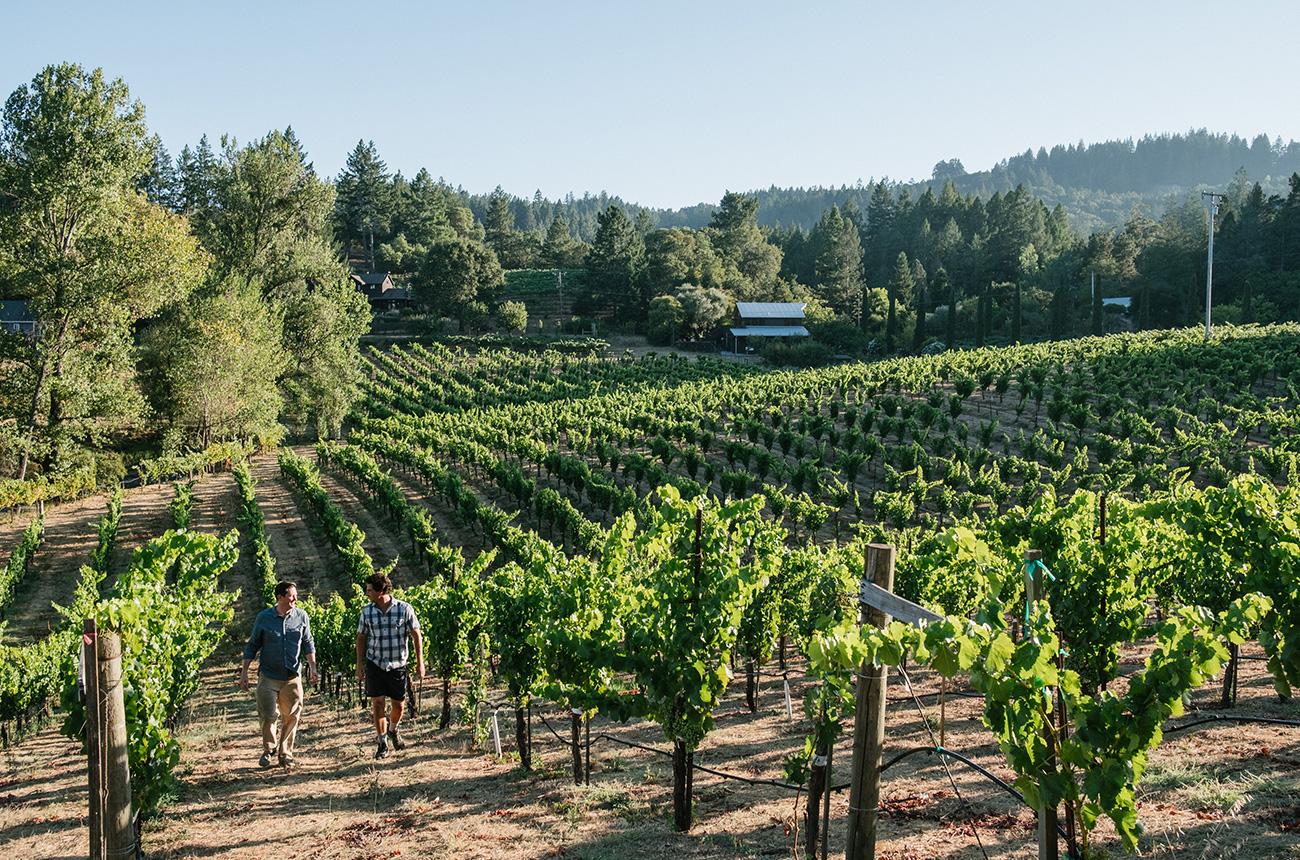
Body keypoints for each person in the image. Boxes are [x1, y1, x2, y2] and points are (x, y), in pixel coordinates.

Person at [240, 581, 318, 768]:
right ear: (280, 597)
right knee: (268, 715)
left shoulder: (301, 616)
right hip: (268, 675)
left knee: (291, 716)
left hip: (292, 676)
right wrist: (244, 672)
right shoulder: (264, 618)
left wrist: (313, 667)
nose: (295, 599)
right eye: (292, 595)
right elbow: (253, 645)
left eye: (295, 595)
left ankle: (286, 754)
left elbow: (308, 642)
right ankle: (269, 749)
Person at [356, 572, 425, 759]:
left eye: (370, 590)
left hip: (397, 664)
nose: (367, 593)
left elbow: (416, 635)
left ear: (381, 591)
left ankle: (393, 729)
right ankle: (382, 743)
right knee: (378, 705)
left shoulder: (404, 609)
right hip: (375, 663)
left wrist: (420, 662)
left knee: (399, 706)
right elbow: (361, 637)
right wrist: (359, 663)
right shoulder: (367, 611)